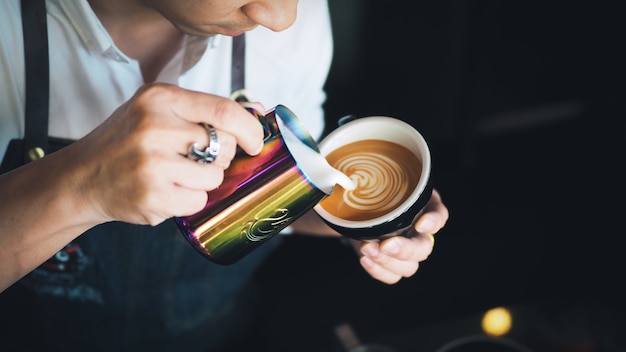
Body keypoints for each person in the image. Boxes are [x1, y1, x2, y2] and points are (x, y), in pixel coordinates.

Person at [0, 0, 449, 351]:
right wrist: (81, 185)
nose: (280, 19)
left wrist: (358, 219)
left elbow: (278, 197)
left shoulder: (296, 17)